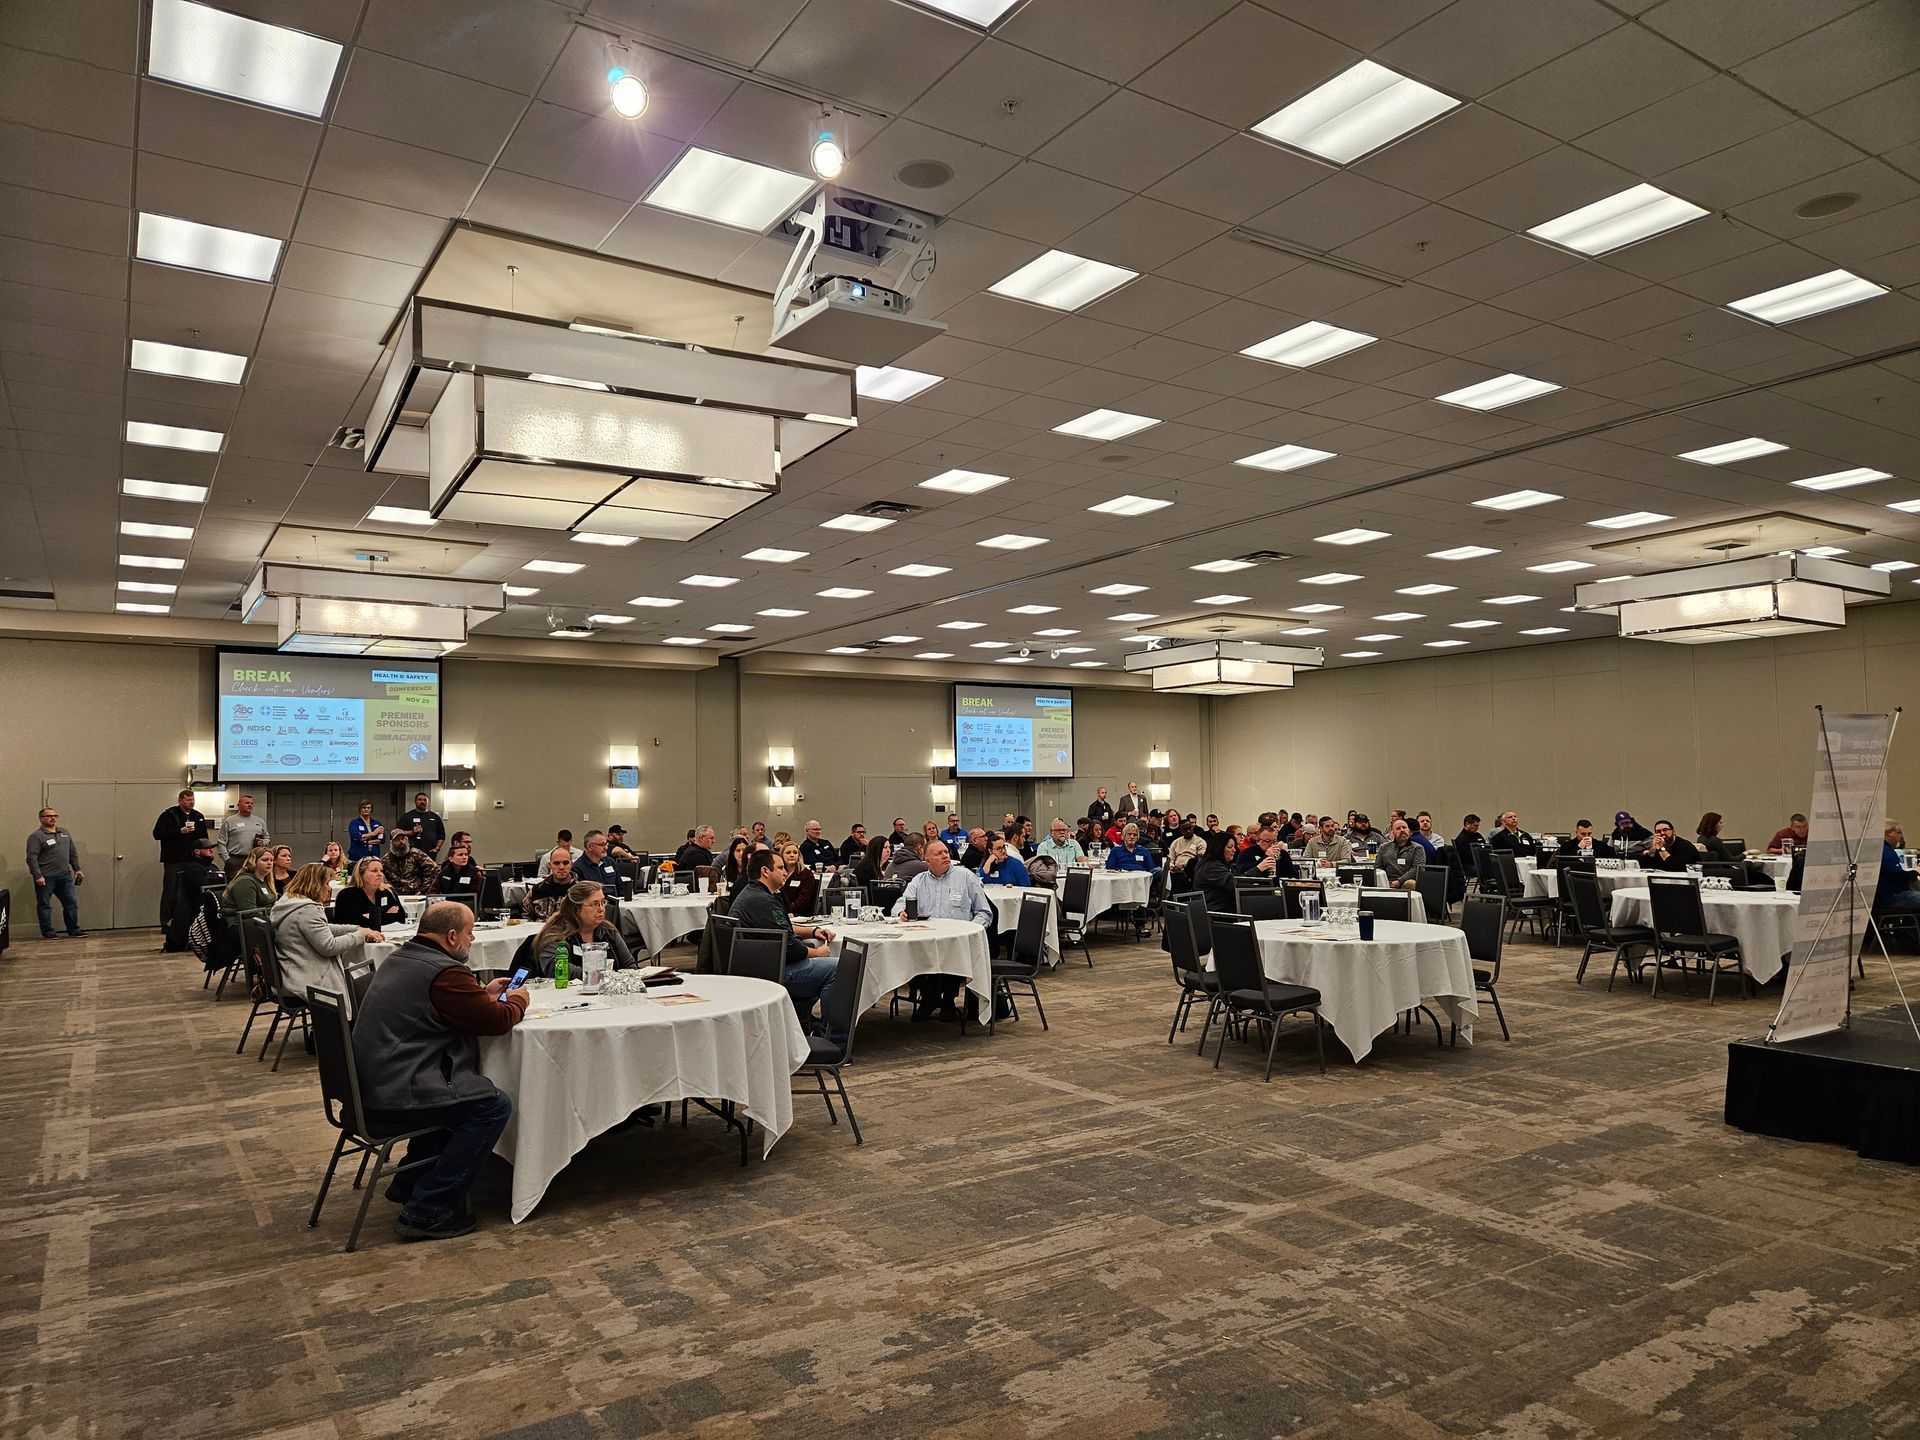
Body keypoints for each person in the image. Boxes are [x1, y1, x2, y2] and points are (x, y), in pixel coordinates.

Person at [353, 901, 525, 1241]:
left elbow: (452, 1005)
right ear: (450, 936)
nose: (473, 938)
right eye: (469, 932)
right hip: (397, 1090)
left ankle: (410, 1179)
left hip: (371, 1081)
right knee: (491, 1106)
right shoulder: (445, 972)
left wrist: (483, 994)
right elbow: (497, 1021)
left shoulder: (404, 957)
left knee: (465, 1090)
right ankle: (428, 1209)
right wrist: (518, 1000)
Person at [728, 850, 840, 1023]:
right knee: (840, 967)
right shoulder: (763, 901)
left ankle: (800, 1020)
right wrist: (818, 953)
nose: (785, 872)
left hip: (757, 966)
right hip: (773, 972)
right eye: (780, 867)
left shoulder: (752, 895)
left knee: (815, 949)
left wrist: (812, 931)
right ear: (765, 871)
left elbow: (779, 928)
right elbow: (789, 948)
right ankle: (832, 1035)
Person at [890, 841, 993, 1023]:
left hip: (957, 941)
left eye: (946, 852)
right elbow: (899, 904)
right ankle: (930, 998)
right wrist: (901, 912)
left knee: (951, 953)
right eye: (939, 853)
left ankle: (947, 1001)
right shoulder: (919, 880)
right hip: (925, 939)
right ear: (927, 860)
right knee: (906, 952)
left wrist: (972, 930)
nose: (945, 856)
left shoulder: (966, 877)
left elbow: (985, 913)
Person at [269, 864, 380, 1017]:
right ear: (315, 884)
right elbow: (329, 946)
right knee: (366, 982)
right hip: (307, 977)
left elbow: (323, 928)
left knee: (358, 980)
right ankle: (352, 1031)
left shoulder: (290, 903)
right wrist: (360, 936)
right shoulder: (307, 910)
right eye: (326, 883)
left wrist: (356, 929)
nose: (328, 888)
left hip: (293, 969)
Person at [531, 880, 634, 978]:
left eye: (603, 902)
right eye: (595, 904)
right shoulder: (557, 933)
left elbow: (629, 965)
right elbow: (555, 968)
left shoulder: (608, 931)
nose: (601, 909)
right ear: (576, 909)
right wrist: (596, 976)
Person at [153, 787, 209, 929]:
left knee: (193, 891)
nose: (191, 802)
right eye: (188, 800)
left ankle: (192, 923)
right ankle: (167, 923)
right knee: (171, 891)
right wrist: (179, 831)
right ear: (180, 800)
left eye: (193, 800)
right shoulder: (169, 815)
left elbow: (204, 838)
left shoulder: (198, 816)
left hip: (194, 861)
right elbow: (157, 834)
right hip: (174, 860)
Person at [26, 805, 86, 939]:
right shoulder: (36, 836)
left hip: (65, 876)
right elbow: (32, 858)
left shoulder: (64, 833)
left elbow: (72, 853)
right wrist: (38, 875)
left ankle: (73, 929)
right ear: (41, 818)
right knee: (44, 905)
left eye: (55, 816)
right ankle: (48, 932)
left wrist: (77, 868)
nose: (53, 818)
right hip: (46, 878)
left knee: (71, 902)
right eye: (49, 816)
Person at [334, 856, 407, 931]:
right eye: (374, 871)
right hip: (357, 939)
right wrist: (386, 915)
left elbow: (401, 919)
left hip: (389, 937)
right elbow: (354, 924)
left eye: (381, 871)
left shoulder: (387, 892)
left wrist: (372, 917)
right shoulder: (347, 895)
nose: (380, 874)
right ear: (361, 874)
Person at [1875, 823, 1920, 921]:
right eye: (1898, 833)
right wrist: (1915, 872)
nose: (1900, 837)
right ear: (1890, 833)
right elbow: (1897, 876)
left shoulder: (1881, 848)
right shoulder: (1885, 851)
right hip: (1891, 896)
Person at [523, 847, 576, 919]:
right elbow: (524, 917)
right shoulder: (538, 889)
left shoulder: (581, 891)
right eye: (556, 863)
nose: (561, 867)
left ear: (571, 864)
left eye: (565, 863)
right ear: (549, 865)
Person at [223, 846, 280, 915]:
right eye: (265, 860)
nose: (269, 863)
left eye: (271, 860)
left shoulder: (266, 880)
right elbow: (250, 913)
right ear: (254, 861)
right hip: (244, 922)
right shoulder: (245, 882)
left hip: (266, 918)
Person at [215, 793, 268, 866]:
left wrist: (264, 842)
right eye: (247, 803)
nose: (250, 805)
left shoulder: (259, 821)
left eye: (251, 803)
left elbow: (267, 838)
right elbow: (221, 842)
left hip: (254, 858)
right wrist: (227, 859)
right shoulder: (229, 821)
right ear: (238, 805)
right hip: (235, 859)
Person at [432, 838, 486, 908]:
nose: (464, 857)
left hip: (466, 907)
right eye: (460, 855)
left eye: (466, 855)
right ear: (451, 858)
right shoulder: (444, 872)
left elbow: (474, 898)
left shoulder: (475, 873)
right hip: (446, 906)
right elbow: (433, 891)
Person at [1375, 818, 1424, 889]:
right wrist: (1385, 882)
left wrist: (1399, 881)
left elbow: (1417, 869)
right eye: (1398, 828)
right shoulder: (1383, 847)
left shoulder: (1417, 848)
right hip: (1386, 883)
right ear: (1393, 833)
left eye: (1404, 827)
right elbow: (1378, 867)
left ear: (1409, 831)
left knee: (1411, 883)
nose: (1402, 830)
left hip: (1406, 883)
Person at [778, 841, 820, 914]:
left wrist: (786, 910)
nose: (792, 855)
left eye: (795, 852)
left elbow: (803, 900)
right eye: (788, 853)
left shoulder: (806, 874)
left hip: (799, 913)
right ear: (781, 856)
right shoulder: (777, 873)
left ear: (799, 856)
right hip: (779, 910)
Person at [400, 793, 445, 858]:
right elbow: (398, 833)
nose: (422, 802)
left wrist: (437, 848)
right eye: (420, 800)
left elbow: (441, 835)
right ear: (415, 801)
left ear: (427, 802)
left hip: (430, 853)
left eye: (424, 800)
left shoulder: (435, 817)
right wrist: (412, 831)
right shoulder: (406, 817)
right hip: (411, 853)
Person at [1166, 816, 1205, 881]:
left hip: (1191, 870)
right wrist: (1171, 867)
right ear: (1181, 831)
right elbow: (1171, 858)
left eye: (1189, 828)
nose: (1188, 831)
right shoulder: (1176, 842)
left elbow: (1201, 859)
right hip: (1176, 871)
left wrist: (1185, 866)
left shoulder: (1200, 842)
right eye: (1185, 829)